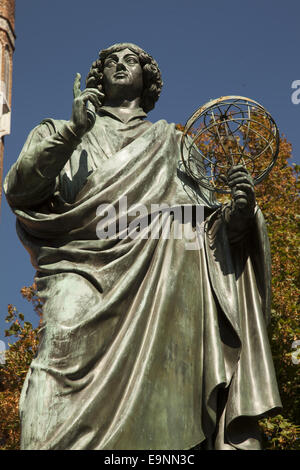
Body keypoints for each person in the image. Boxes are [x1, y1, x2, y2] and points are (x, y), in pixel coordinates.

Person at [4, 43, 281, 450]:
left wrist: (238, 218)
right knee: (57, 353)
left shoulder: (176, 145)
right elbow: (20, 190)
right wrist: (72, 130)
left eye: (130, 59)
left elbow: (199, 228)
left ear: (146, 77)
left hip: (161, 282)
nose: (119, 64)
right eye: (110, 61)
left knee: (170, 392)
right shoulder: (64, 130)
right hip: (82, 267)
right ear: (98, 77)